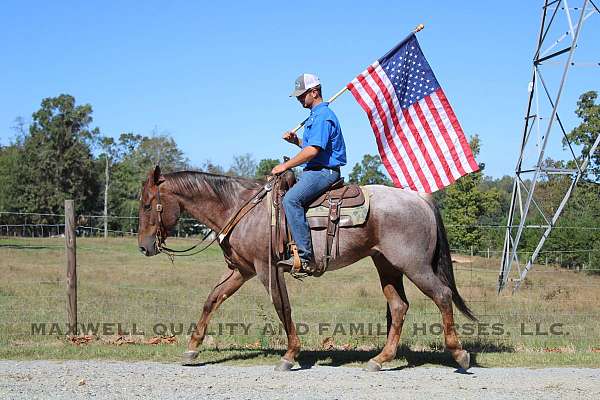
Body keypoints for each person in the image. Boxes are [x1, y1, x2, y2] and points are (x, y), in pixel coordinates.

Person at [271, 73, 347, 272]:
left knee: (290, 200)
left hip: (323, 172)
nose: (298, 99)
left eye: (301, 95)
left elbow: (313, 151)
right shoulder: (316, 115)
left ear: (314, 92)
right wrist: (296, 142)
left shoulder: (322, 116)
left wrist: (285, 166)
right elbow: (311, 146)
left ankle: (305, 257)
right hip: (316, 170)